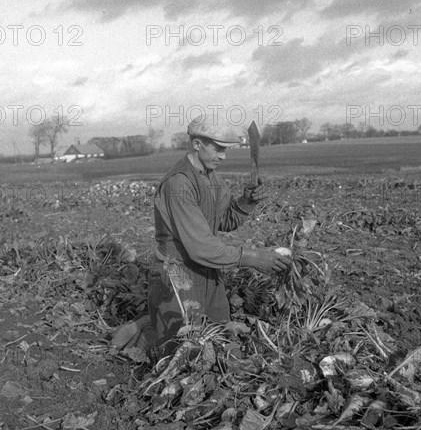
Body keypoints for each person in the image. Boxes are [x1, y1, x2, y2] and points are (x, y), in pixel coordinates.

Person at [111, 116, 292, 354]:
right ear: (197, 144)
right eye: (218, 148)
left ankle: (151, 319)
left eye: (225, 149)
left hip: (207, 270)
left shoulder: (211, 177)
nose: (223, 156)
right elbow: (200, 246)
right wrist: (252, 258)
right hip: (179, 273)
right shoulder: (179, 184)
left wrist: (246, 203)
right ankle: (141, 329)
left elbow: (224, 221)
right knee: (179, 347)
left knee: (217, 333)